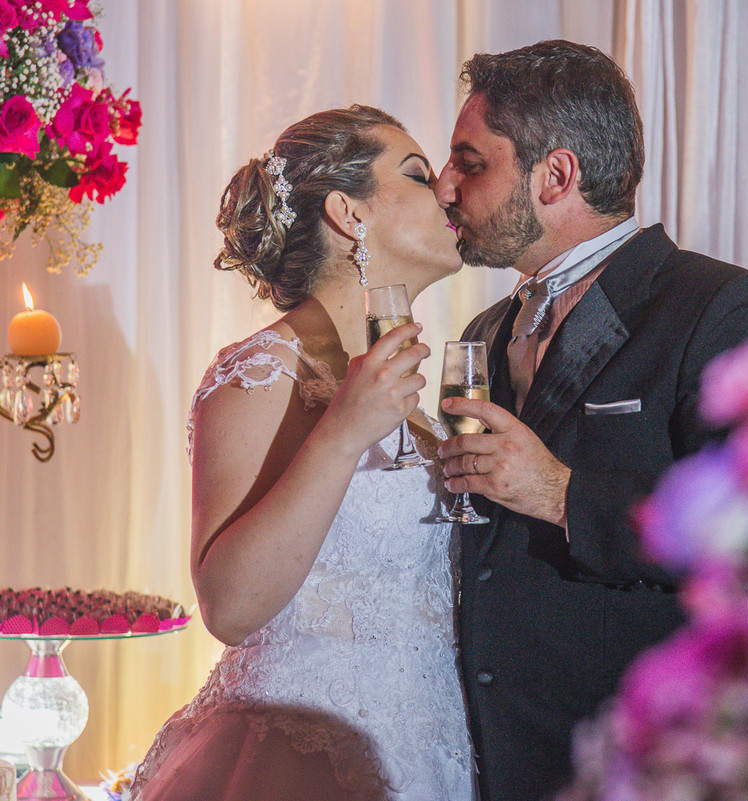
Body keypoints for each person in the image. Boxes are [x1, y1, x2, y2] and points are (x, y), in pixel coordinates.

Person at [434, 40, 748, 801]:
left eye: (470, 163)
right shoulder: (482, 333)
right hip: (489, 763)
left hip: (638, 761)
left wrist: (561, 493)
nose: (444, 186)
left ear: (556, 175)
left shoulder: (722, 308)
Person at [131, 106, 473, 801]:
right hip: (301, 756)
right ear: (349, 213)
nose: (446, 189)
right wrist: (343, 433)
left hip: (433, 750)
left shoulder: (419, 405)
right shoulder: (261, 372)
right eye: (417, 174)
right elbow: (229, 606)